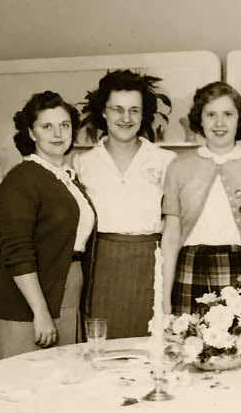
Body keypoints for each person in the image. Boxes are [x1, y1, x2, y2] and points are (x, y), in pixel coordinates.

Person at [0, 91, 96, 413]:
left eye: (65, 125)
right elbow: (17, 251)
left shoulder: (62, 174)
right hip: (29, 304)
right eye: (47, 125)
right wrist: (40, 312)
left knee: (50, 408)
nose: (58, 132)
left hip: (63, 291)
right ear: (30, 131)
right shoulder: (23, 178)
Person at [161, 81, 241, 326]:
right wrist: (164, 299)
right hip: (192, 266)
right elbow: (171, 237)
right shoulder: (178, 167)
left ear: (240, 119)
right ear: (200, 119)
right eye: (211, 114)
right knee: (190, 350)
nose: (219, 123)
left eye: (228, 114)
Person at [74, 70, 175, 340]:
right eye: (117, 109)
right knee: (102, 349)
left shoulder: (167, 161)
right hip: (101, 265)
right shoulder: (82, 164)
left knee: (150, 348)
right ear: (103, 112)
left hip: (152, 263)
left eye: (134, 110)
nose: (126, 118)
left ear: (144, 114)